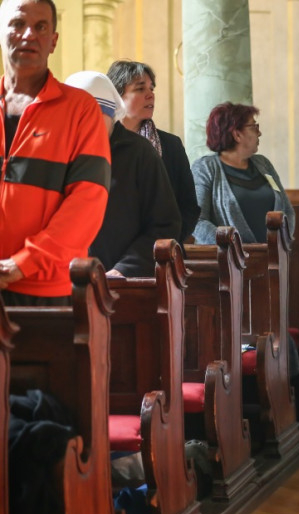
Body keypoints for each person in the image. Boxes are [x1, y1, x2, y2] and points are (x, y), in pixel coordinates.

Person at [0, 0, 110, 306]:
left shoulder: (80, 110)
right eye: (17, 24)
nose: (28, 34)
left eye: (40, 27)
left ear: (53, 41)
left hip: (46, 289)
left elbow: (87, 203)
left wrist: (24, 262)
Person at [65, 71, 181, 278]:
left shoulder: (140, 152)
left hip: (124, 280)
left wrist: (125, 268)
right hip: (64, 279)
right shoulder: (58, 151)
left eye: (93, 116)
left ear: (112, 115)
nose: (85, 126)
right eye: (77, 118)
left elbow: (164, 224)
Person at [107, 60, 200, 243]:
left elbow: (189, 206)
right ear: (117, 96)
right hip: (113, 250)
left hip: (164, 249)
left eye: (151, 88)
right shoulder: (104, 143)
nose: (150, 95)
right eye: (140, 89)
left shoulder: (171, 145)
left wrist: (167, 241)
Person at [192, 102, 295, 244]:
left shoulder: (263, 164)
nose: (259, 133)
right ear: (237, 134)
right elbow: (197, 221)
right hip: (226, 256)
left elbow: (287, 210)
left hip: (274, 255)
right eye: (254, 127)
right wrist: (233, 247)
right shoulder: (205, 168)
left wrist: (280, 244)